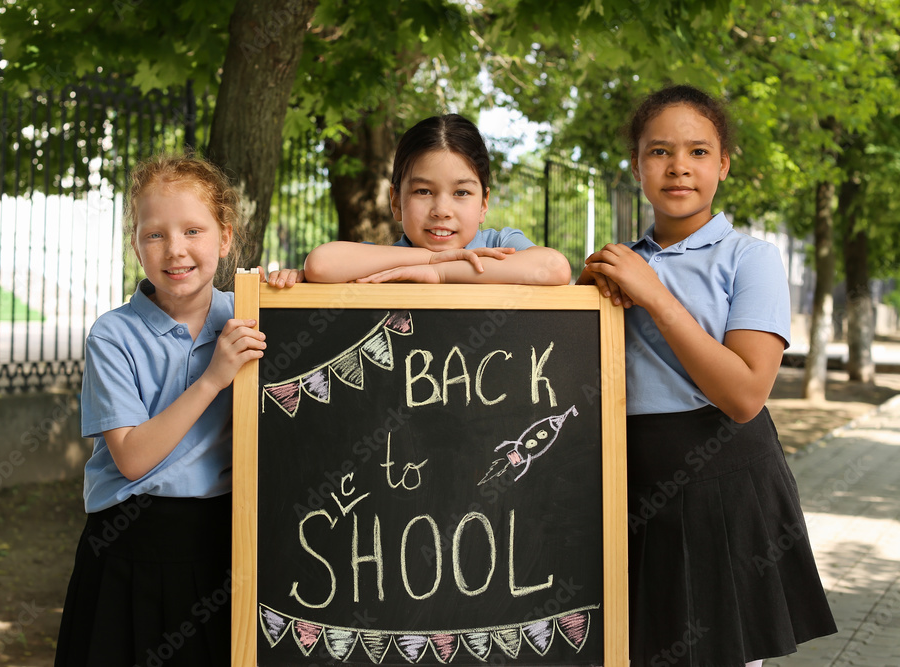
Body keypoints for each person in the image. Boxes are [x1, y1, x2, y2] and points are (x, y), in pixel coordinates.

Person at [578, 85, 836, 666]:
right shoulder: (613, 266)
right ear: (638, 164)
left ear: (722, 164)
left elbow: (745, 395)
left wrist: (655, 294)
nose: (678, 167)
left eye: (697, 152)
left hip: (725, 480)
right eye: (659, 151)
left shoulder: (751, 258)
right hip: (627, 486)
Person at [55, 154, 273, 666]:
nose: (175, 250)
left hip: (224, 543)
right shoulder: (114, 334)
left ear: (224, 238)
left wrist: (287, 291)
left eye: (193, 230)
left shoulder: (250, 318)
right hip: (130, 549)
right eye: (155, 235)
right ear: (136, 245)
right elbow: (131, 458)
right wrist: (213, 377)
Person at [298, 113, 571, 286]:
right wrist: (427, 260)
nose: (441, 210)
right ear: (395, 202)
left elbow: (555, 268)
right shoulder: (385, 260)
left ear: (484, 204)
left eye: (461, 193)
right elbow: (321, 264)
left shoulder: (501, 246)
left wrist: (441, 273)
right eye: (423, 191)